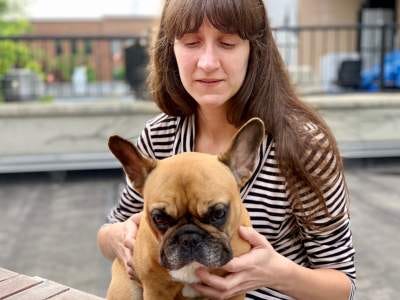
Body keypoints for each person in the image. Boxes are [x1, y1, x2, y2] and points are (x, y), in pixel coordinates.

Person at [97, 0, 356, 299]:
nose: (208, 62)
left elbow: (344, 287)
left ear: (253, 49)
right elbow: (109, 230)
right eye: (191, 42)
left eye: (227, 43)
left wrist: (276, 272)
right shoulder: (159, 136)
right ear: (171, 49)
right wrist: (120, 238)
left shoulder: (304, 147)